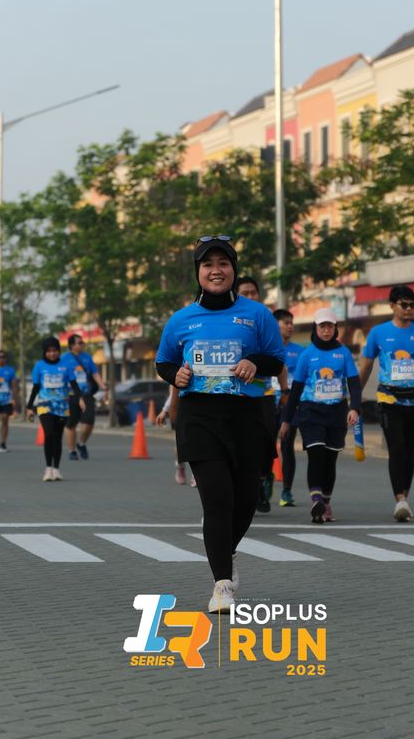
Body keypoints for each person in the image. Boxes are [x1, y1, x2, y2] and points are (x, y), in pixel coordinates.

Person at [156, 236, 285, 613]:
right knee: (217, 497)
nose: (216, 271)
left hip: (246, 415)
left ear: (234, 270)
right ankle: (222, 585)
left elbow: (276, 359)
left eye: (223, 263)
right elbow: (164, 362)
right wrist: (176, 376)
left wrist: (254, 363)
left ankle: (224, 550)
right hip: (200, 417)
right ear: (198, 272)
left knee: (245, 499)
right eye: (208, 264)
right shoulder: (181, 319)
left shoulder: (257, 315)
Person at [359, 285, 414, 522]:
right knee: (396, 447)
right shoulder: (378, 333)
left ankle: (404, 497)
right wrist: (355, 394)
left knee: (410, 450)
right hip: (389, 399)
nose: (409, 309)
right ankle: (399, 499)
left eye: (412, 305)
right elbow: (366, 366)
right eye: (404, 305)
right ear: (392, 306)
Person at [279, 308, 361, 523]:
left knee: (329, 459)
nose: (326, 330)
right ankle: (316, 501)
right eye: (322, 326)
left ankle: (326, 502)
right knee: (316, 455)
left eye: (330, 326)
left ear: (335, 329)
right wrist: (286, 420)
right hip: (311, 411)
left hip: (336, 412)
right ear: (315, 328)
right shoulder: (307, 355)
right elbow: (295, 390)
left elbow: (354, 383)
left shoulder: (343, 353)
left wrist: (355, 408)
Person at [236, 275, 277, 513]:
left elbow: (277, 359)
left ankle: (264, 477)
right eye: (245, 293)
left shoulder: (265, 319)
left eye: (254, 292)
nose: (251, 297)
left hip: (265, 393)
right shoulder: (231, 320)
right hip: (235, 395)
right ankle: (250, 487)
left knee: (266, 441)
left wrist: (285, 391)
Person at [26, 337, 85, 481]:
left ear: (59, 351)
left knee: (58, 437)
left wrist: (80, 398)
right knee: (49, 434)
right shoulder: (39, 366)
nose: (52, 353)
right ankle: (48, 469)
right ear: (44, 352)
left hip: (62, 406)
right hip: (45, 405)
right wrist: (29, 407)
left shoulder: (66, 365)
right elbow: (36, 387)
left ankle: (56, 469)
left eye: (55, 350)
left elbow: (74, 384)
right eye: (49, 351)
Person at [272, 309, 305, 507]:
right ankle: (265, 482)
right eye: (286, 322)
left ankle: (286, 491)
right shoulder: (266, 347)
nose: (290, 326)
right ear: (275, 325)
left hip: (290, 405)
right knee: (265, 447)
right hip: (268, 402)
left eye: (291, 322)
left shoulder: (300, 352)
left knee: (287, 446)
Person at [62, 334, 107, 460]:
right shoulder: (64, 358)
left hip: (86, 394)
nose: (82, 345)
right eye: (80, 343)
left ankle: (81, 443)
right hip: (71, 395)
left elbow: (95, 373)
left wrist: (104, 387)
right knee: (71, 424)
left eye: (82, 342)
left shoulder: (87, 357)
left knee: (89, 422)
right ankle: (72, 451)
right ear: (72, 345)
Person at [156, 386, 196, 487]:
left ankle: (196, 474)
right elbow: (173, 395)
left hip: (196, 412)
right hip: (180, 412)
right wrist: (164, 411)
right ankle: (180, 467)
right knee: (180, 446)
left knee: (196, 445)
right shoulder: (176, 379)